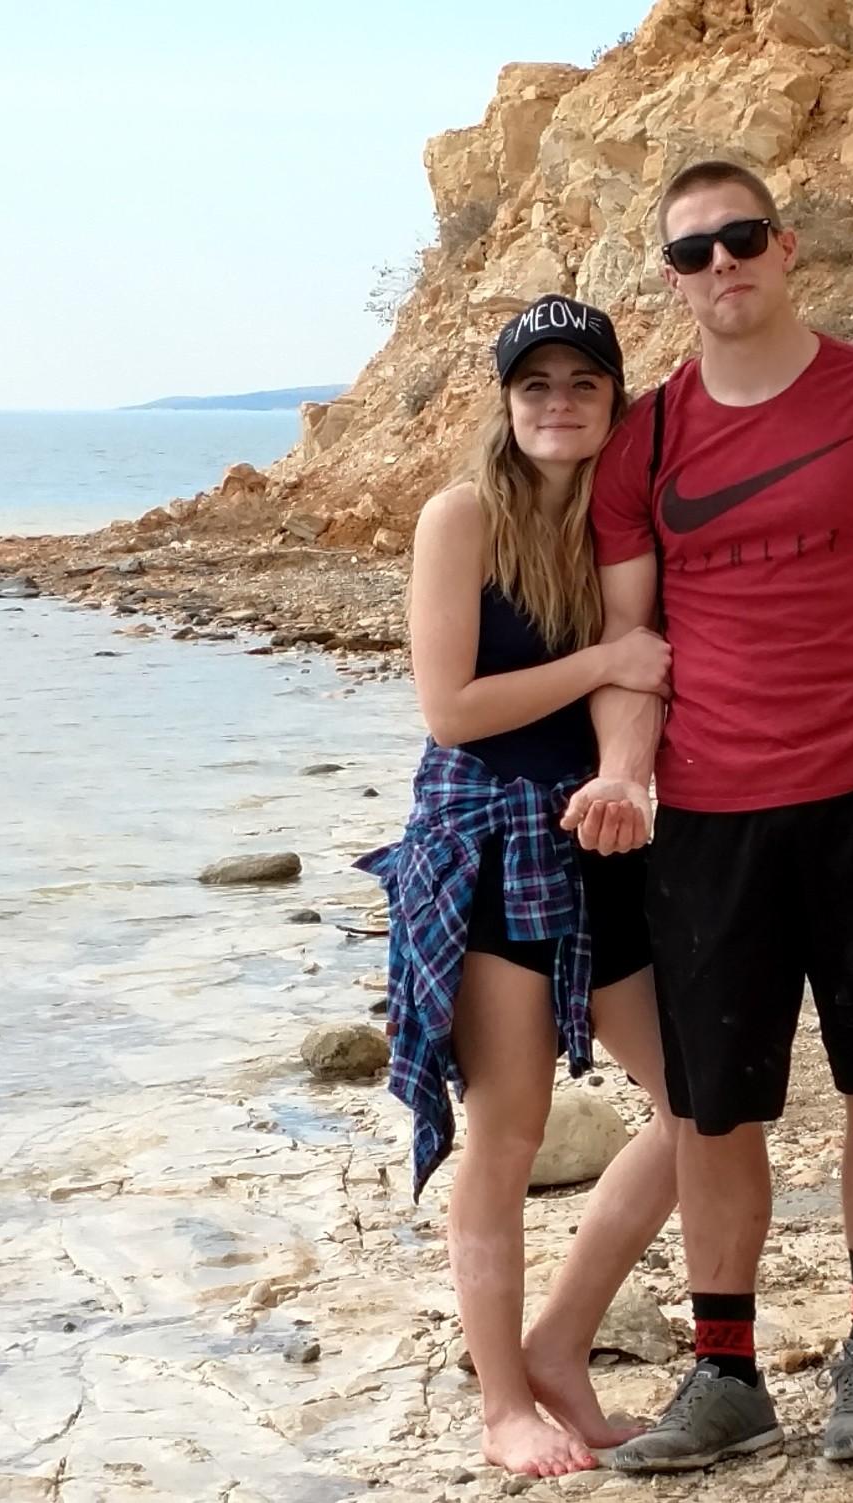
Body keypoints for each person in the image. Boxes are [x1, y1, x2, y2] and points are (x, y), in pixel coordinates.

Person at [560, 162, 853, 1471]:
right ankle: (725, 1373)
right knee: (714, 1107)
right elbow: (628, 643)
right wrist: (619, 771)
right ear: (668, 278)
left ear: (786, 246)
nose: (722, 266)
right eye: (693, 252)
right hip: (709, 819)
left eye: (742, 239)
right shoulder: (644, 443)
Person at [357, 293, 678, 1479]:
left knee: (702, 1107)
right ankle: (503, 1406)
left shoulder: (620, 520)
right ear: (506, 401)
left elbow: (650, 676)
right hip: (487, 847)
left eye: (581, 385)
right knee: (509, 1134)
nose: (557, 404)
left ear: (612, 399)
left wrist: (622, 769)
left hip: (604, 842)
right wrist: (601, 658)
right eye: (535, 385)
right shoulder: (461, 518)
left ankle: (558, 1347)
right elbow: (451, 710)